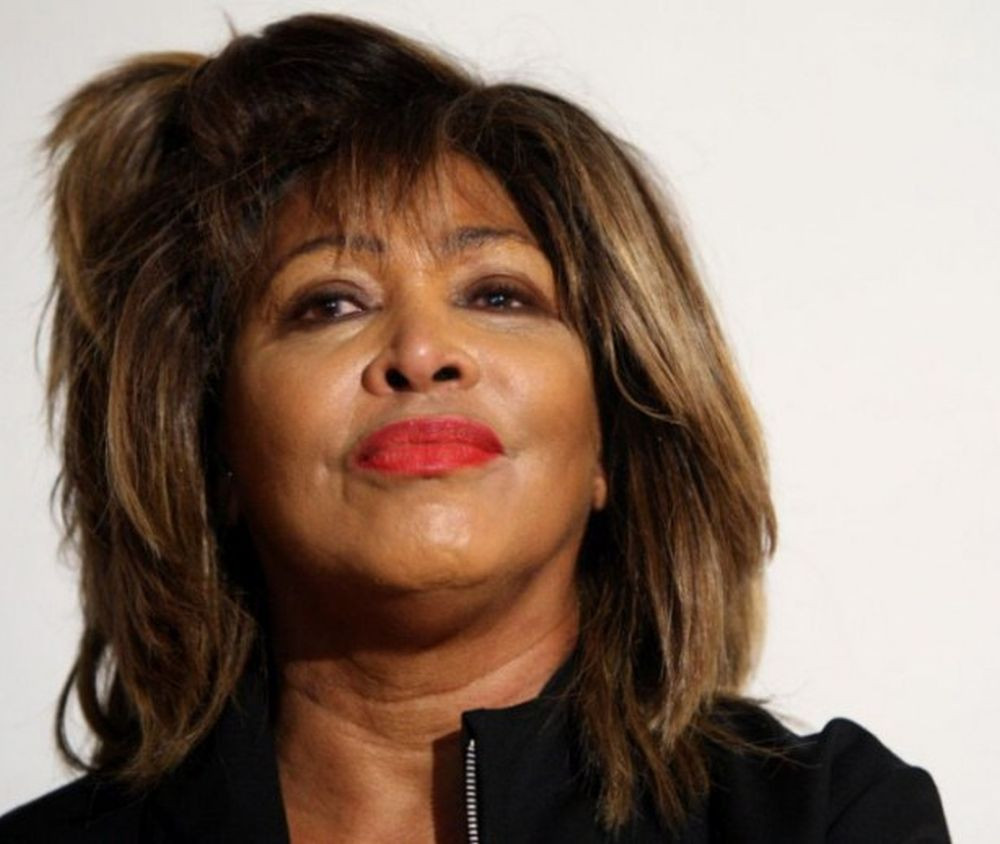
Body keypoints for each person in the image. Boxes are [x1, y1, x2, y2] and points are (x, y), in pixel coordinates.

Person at [0, 12, 949, 843]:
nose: (422, 351)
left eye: (497, 294)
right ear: (213, 451)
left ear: (612, 439)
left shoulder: (825, 818)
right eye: (329, 304)